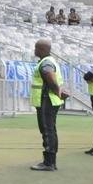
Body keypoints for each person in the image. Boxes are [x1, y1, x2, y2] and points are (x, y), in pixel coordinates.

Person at [29, 39, 67, 172]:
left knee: (47, 130)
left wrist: (57, 91)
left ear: (42, 50)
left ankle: (48, 162)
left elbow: (49, 75)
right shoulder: (49, 61)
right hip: (50, 100)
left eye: (36, 48)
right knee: (50, 130)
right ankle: (51, 161)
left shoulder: (46, 63)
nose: (34, 50)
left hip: (47, 99)